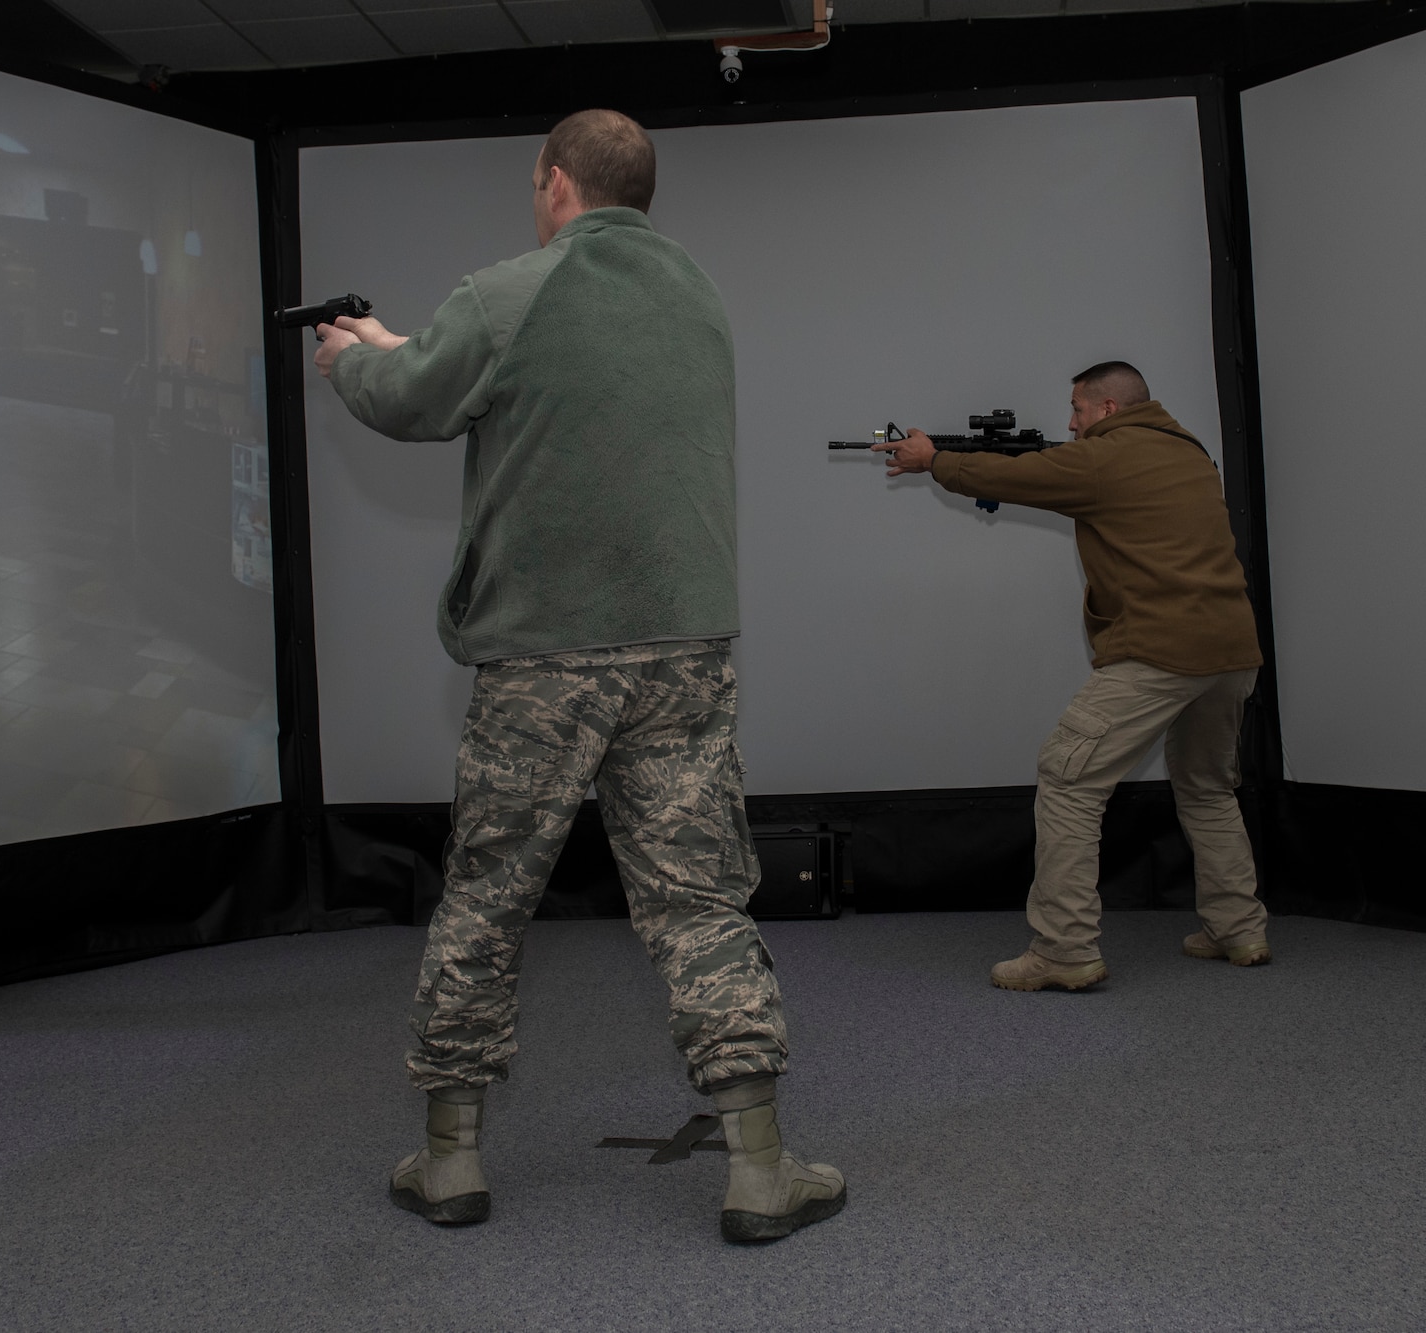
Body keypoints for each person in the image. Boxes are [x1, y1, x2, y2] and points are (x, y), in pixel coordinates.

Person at [308, 109, 845, 1243]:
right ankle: (758, 1167)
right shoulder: (695, 294)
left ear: (553, 184)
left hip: (545, 658)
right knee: (699, 899)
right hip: (682, 649)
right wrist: (410, 345)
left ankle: (448, 1162)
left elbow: (416, 399)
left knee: (488, 897)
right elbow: (544, 388)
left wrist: (353, 360)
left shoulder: (512, 288)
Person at [875, 362, 1271, 991]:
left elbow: (1019, 475)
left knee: (1068, 780)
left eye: (1078, 411)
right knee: (1207, 788)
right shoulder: (1189, 451)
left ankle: (1064, 950)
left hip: (1160, 650)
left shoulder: (1106, 459)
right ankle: (1239, 928)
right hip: (1231, 652)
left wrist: (933, 459)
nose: (1070, 423)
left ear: (1109, 409)